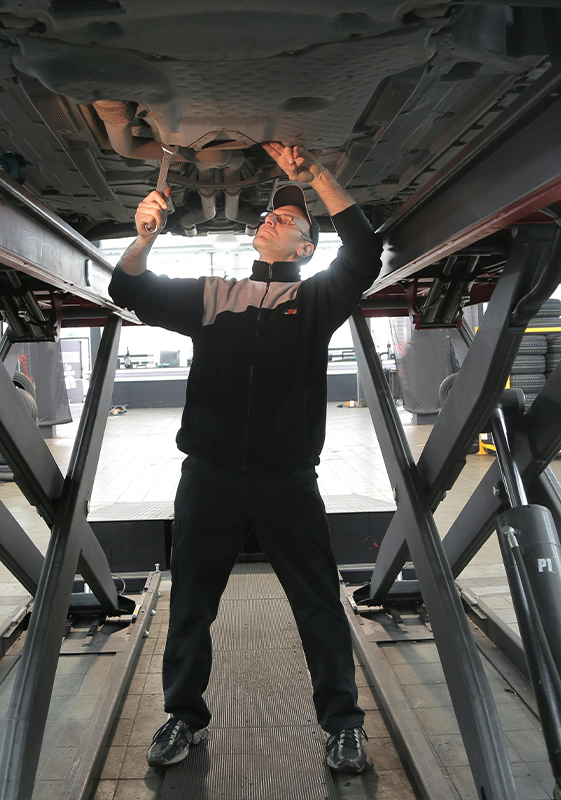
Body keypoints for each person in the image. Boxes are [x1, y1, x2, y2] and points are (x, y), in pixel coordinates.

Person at [108, 142, 383, 774]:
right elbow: (131, 290)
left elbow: (364, 255)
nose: (272, 219)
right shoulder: (213, 294)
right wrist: (144, 236)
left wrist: (318, 180)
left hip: (287, 478)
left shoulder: (315, 302)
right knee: (192, 601)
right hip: (210, 476)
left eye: (289, 221)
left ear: (306, 250)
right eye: (271, 215)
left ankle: (342, 725)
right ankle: (183, 715)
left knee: (317, 600)